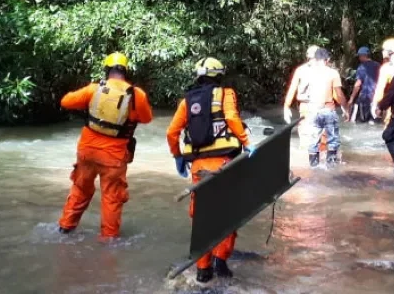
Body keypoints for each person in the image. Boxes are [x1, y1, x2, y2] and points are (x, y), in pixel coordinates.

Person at [166, 57, 257, 283]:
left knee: (202, 217)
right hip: (226, 164)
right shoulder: (226, 94)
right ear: (219, 75)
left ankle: (203, 270)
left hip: (199, 167)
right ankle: (221, 262)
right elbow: (232, 119)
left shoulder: (187, 101)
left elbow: (171, 132)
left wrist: (177, 156)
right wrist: (246, 142)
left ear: (198, 75)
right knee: (228, 214)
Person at [57, 52, 154, 239]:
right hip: (114, 157)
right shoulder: (136, 94)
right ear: (125, 71)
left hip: (86, 151)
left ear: (107, 70)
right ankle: (108, 241)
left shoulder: (95, 89)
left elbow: (65, 101)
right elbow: (147, 118)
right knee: (111, 197)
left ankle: (65, 228)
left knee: (80, 188)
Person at [301, 48, 349, 167]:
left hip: (313, 110)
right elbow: (339, 94)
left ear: (315, 59)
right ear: (327, 60)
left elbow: (301, 91)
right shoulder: (332, 73)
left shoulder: (308, 73)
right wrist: (346, 109)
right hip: (328, 110)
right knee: (332, 140)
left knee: (313, 140)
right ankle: (331, 169)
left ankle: (313, 167)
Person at [283, 44, 327, 153]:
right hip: (313, 107)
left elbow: (292, 89)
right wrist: (286, 107)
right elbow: (292, 88)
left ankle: (308, 162)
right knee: (316, 137)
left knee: (309, 136)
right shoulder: (323, 70)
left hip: (311, 107)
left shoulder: (301, 70)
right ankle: (318, 163)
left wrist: (286, 107)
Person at [371, 38, 394, 126]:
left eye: (384, 50)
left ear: (390, 51)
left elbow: (380, 89)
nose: (382, 52)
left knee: (390, 133)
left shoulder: (386, 67)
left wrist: (375, 105)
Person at [348, 46, 381, 124]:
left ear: (363, 56)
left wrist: (351, 98)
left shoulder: (361, 67)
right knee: (373, 121)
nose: (359, 58)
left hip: (364, 98)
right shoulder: (378, 65)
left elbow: (358, 84)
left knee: (355, 121)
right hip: (376, 98)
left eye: (359, 56)